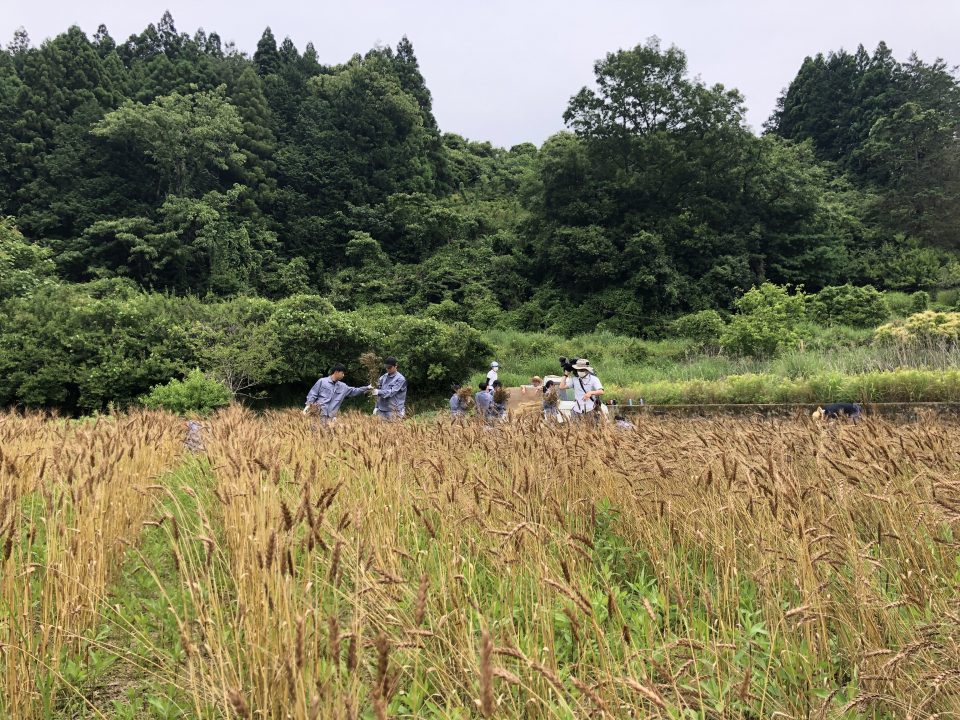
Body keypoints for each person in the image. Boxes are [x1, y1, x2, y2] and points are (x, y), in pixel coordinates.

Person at [304, 363, 372, 422]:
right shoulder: (322, 381)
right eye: (342, 373)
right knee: (315, 434)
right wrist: (308, 405)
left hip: (331, 417)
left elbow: (354, 391)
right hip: (318, 415)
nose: (343, 375)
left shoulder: (343, 386)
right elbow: (313, 393)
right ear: (336, 372)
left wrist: (367, 388)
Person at [560, 358, 605, 423]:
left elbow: (601, 391)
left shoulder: (594, 379)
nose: (580, 371)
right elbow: (561, 386)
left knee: (590, 431)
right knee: (575, 431)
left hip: (590, 410)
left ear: (586, 370)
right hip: (576, 410)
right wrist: (565, 375)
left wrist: (590, 393)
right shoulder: (574, 379)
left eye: (581, 369)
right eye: (578, 369)